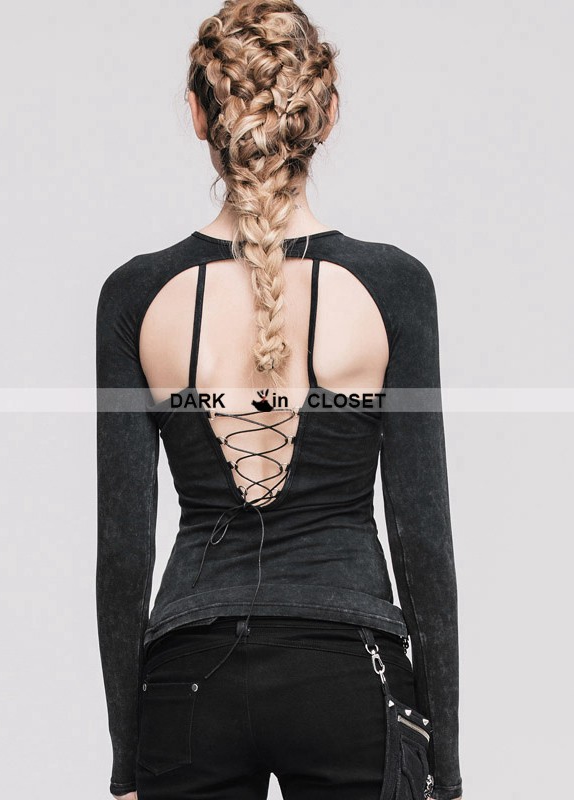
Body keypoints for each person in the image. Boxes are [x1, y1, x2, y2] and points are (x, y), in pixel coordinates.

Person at [95, 1, 463, 799]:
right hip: (348, 671)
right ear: (325, 113)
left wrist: (128, 760)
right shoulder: (393, 286)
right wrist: (448, 766)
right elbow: (422, 540)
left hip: (190, 679)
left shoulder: (136, 295)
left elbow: (123, 551)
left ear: (199, 115)